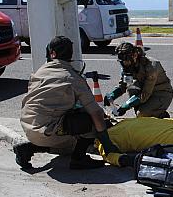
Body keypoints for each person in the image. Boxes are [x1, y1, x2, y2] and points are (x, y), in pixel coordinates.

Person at [14, 36, 119, 170]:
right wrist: (107, 144)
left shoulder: (40, 72)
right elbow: (96, 112)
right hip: (47, 131)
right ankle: (79, 159)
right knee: (91, 121)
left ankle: (27, 148)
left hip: (27, 126)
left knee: (67, 141)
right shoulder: (73, 78)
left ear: (52, 53)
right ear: (71, 54)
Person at [103, 42, 173, 118]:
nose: (125, 63)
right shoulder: (127, 67)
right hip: (143, 92)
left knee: (142, 114)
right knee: (132, 88)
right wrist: (112, 96)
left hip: (160, 93)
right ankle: (146, 111)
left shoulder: (151, 67)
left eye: (127, 60)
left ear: (135, 55)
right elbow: (123, 86)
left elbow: (145, 94)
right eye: (122, 61)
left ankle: (161, 114)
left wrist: (126, 106)